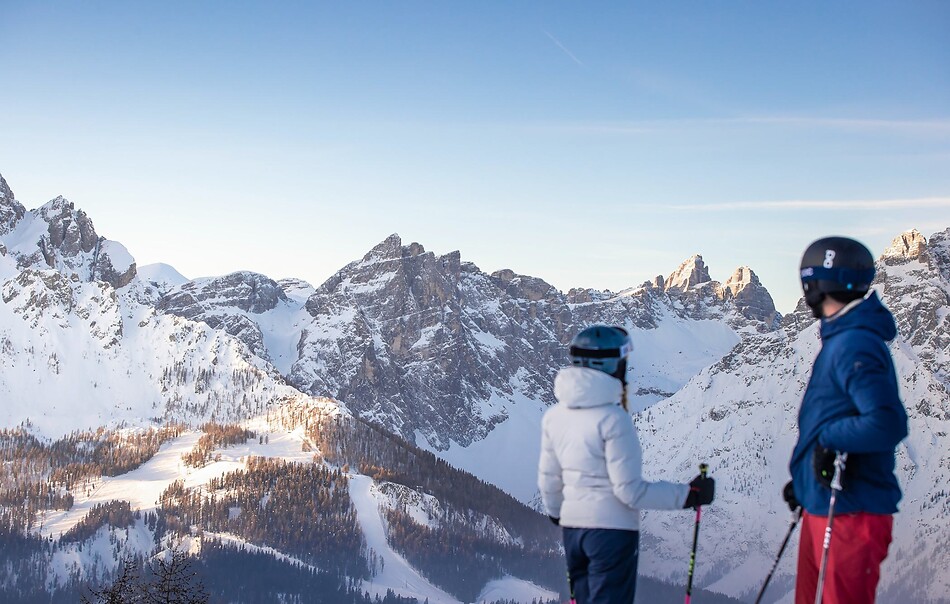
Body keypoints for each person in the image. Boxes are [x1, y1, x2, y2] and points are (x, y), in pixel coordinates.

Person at [538, 324, 714, 604]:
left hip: (573, 532)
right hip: (611, 533)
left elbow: (549, 478)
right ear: (612, 365)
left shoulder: (555, 417)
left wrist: (558, 512)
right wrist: (689, 495)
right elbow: (630, 492)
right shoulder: (614, 419)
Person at [785, 236, 909, 604]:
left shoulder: (854, 342)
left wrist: (828, 441)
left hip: (850, 512)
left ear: (816, 284)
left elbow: (887, 423)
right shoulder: (844, 337)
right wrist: (805, 484)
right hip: (827, 503)